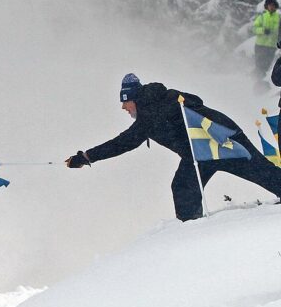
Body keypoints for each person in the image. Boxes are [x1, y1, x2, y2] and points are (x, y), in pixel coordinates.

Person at [65, 73, 281, 221]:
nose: (123, 107)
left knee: (261, 172)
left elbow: (123, 143)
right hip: (206, 149)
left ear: (134, 100)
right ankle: (191, 225)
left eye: (125, 101)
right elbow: (196, 99)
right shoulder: (162, 99)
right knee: (184, 186)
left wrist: (87, 157)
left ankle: (191, 225)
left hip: (220, 143)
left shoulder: (151, 113)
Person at [254, 0, 280, 79]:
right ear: (267, 6)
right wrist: (263, 30)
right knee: (259, 65)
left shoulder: (279, 17)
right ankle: (257, 80)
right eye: (270, 5)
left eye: (273, 5)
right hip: (260, 45)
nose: (271, 7)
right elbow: (254, 29)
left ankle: (262, 80)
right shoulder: (262, 17)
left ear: (275, 6)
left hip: (272, 46)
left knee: (267, 65)